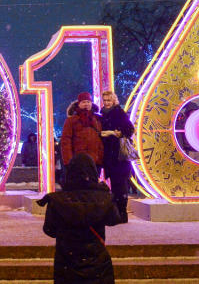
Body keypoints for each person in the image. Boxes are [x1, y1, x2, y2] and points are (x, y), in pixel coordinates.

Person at [38, 152, 121, 284]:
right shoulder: (104, 199)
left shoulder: (57, 201)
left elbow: (50, 230)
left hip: (67, 263)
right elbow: (114, 219)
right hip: (97, 263)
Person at [99, 90, 135, 222]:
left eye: (109, 100)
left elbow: (129, 129)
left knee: (120, 184)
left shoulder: (119, 113)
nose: (107, 103)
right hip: (109, 155)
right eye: (105, 100)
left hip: (120, 154)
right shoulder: (102, 114)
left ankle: (122, 213)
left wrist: (116, 133)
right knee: (114, 185)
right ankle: (116, 214)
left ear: (114, 101)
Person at [60, 92, 103, 181]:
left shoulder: (97, 119)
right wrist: (69, 161)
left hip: (95, 160)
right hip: (78, 160)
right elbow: (66, 140)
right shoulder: (71, 120)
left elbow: (101, 140)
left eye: (88, 102)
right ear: (78, 104)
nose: (86, 104)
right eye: (83, 102)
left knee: (93, 186)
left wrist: (101, 158)